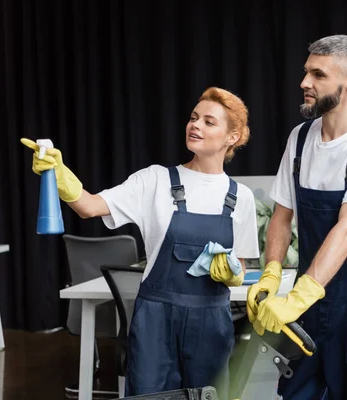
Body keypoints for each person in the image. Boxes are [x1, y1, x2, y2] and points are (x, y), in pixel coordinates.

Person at [21, 87, 259, 397]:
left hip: (211, 323)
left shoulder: (241, 197)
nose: (195, 125)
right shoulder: (155, 180)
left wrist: (232, 272)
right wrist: (58, 174)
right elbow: (90, 206)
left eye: (209, 121)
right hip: (155, 320)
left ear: (233, 137)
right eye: (193, 117)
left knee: (209, 394)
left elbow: (241, 263)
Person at [247, 34, 347, 399]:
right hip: (310, 310)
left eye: (318, 75)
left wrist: (301, 295)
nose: (304, 83)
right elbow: (282, 218)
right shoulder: (300, 139)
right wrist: (271, 273)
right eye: (306, 72)